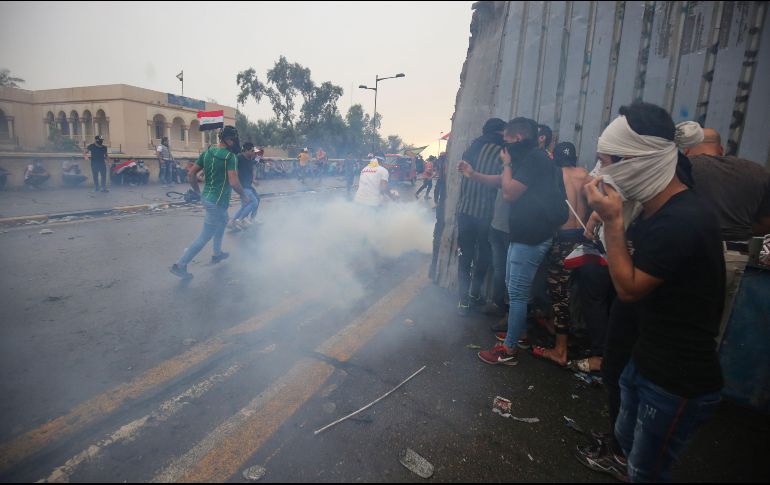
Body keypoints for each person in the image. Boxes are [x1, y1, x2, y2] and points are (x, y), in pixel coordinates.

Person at [578, 102, 722, 483]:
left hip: (675, 378)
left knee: (646, 471)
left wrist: (611, 220)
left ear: (639, 161)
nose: (599, 174)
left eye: (607, 162)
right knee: (627, 446)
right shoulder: (655, 210)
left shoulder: (683, 219)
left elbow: (628, 289)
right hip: (645, 359)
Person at [477, 117, 568, 366]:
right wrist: (473, 174)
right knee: (515, 288)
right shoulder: (530, 158)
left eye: (505, 141)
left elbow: (508, 193)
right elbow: (502, 182)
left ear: (517, 139)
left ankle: (508, 350)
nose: (503, 147)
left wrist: (506, 164)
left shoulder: (533, 159)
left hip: (531, 238)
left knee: (516, 294)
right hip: (526, 235)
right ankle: (521, 335)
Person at [686, 128, 770, 342]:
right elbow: (766, 222)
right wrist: (738, 229)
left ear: (686, 150)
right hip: (736, 257)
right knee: (717, 333)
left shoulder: (685, 168)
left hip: (691, 255)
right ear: (721, 149)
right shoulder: (757, 172)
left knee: (678, 328)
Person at [530, 142, 592, 367]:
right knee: (578, 293)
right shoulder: (585, 174)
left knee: (559, 294)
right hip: (583, 239)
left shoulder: (555, 175)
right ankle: (563, 332)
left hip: (563, 240)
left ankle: (560, 350)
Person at [170, 126, 253, 280]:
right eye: (234, 139)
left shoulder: (207, 153)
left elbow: (191, 173)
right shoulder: (230, 157)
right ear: (228, 139)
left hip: (208, 199)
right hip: (217, 202)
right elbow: (234, 182)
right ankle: (180, 265)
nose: (235, 143)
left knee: (223, 222)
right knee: (205, 235)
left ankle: (217, 253)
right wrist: (244, 196)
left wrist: (196, 192)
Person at [454, 118, 507, 315]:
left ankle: (463, 302)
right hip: (486, 214)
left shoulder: (471, 148)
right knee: (484, 254)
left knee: (464, 255)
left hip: (465, 211)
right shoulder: (501, 151)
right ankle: (475, 294)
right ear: (500, 132)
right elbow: (502, 182)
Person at [231, 142, 261, 230]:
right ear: (246, 150)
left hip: (248, 185)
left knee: (255, 201)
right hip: (242, 185)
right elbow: (233, 170)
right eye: (252, 151)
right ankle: (240, 220)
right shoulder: (238, 158)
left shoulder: (250, 160)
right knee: (253, 202)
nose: (253, 153)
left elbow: (250, 171)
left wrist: (254, 181)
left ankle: (236, 221)